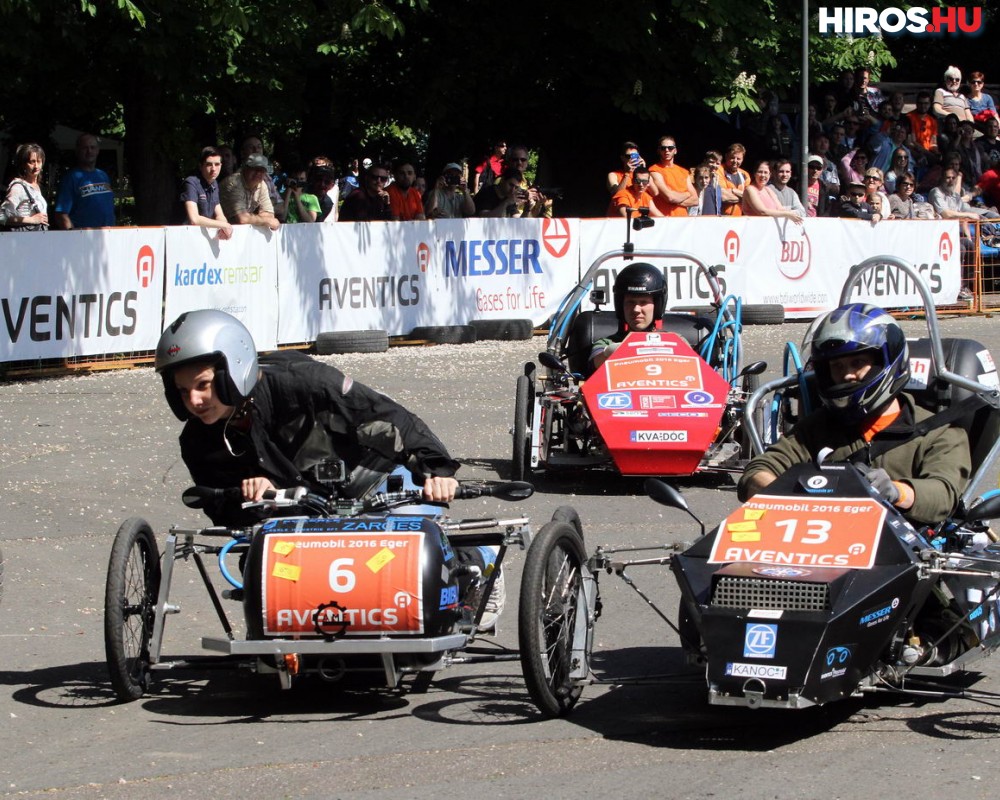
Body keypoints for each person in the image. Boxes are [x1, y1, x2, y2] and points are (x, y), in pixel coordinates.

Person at [153, 309, 506, 631]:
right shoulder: (198, 442)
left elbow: (389, 419)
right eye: (183, 392)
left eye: (203, 385)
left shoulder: (305, 383)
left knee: (413, 560)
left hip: (375, 485)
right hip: (300, 510)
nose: (194, 402)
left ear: (234, 369)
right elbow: (223, 512)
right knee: (256, 563)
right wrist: (256, 498)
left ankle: (480, 561)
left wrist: (437, 472)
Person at [738, 303, 970, 527]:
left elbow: (944, 494)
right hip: (822, 545)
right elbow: (758, 470)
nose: (846, 375)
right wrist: (792, 499)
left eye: (858, 363)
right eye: (837, 367)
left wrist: (895, 491)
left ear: (884, 364)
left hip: (905, 551)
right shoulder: (818, 427)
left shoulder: (940, 433)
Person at [588, 262, 665, 371]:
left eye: (643, 302)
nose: (636, 309)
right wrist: (610, 353)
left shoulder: (676, 341)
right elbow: (595, 363)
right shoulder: (607, 344)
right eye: (630, 302)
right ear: (621, 306)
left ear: (657, 306)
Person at [53, 132, 115, 230]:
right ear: (77, 151)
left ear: (98, 150)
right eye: (85, 148)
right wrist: (73, 236)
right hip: (83, 239)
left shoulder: (103, 175)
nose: (89, 151)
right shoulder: (71, 178)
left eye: (92, 147)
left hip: (106, 236)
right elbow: (61, 214)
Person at [180, 146, 233, 239]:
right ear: (200, 166)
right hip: (184, 238)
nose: (213, 169)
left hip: (201, 240)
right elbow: (194, 219)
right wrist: (222, 225)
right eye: (209, 164)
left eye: (217, 164)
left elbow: (219, 214)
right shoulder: (191, 182)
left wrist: (224, 225)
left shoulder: (214, 183)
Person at [220, 153, 281, 230]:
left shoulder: (262, 184)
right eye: (254, 169)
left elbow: (270, 215)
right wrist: (265, 220)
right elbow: (242, 219)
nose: (258, 173)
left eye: (262, 170)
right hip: (217, 231)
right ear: (245, 168)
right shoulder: (233, 183)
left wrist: (252, 218)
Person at [1, 143, 48, 230]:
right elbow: (2, 217)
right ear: (23, 165)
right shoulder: (18, 187)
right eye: (32, 162)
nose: (36, 166)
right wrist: (32, 220)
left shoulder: (37, 187)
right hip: (22, 240)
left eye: (39, 161)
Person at [239, 135, 285, 222]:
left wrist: (262, 208)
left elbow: (282, 208)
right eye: (251, 147)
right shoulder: (237, 177)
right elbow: (243, 213)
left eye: (259, 147)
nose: (256, 150)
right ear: (242, 152)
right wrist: (268, 206)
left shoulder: (266, 177)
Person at [649, 135, 695, 216]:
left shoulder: (684, 171)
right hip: (664, 219)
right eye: (663, 148)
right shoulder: (654, 170)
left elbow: (695, 200)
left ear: (675, 150)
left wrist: (673, 200)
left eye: (670, 148)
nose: (667, 150)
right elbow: (669, 197)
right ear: (659, 150)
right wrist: (687, 194)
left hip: (683, 221)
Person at [476, 167, 547, 218]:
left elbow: (518, 222)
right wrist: (506, 203)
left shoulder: (509, 197)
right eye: (511, 185)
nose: (512, 190)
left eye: (516, 187)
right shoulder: (487, 193)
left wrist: (527, 209)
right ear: (502, 180)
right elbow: (485, 218)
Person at [718, 143, 750, 216]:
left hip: (739, 217)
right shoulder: (719, 170)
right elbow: (722, 196)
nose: (735, 161)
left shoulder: (745, 175)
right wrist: (744, 198)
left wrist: (732, 191)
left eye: (738, 159)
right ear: (726, 156)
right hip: (721, 216)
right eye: (732, 157)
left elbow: (750, 198)